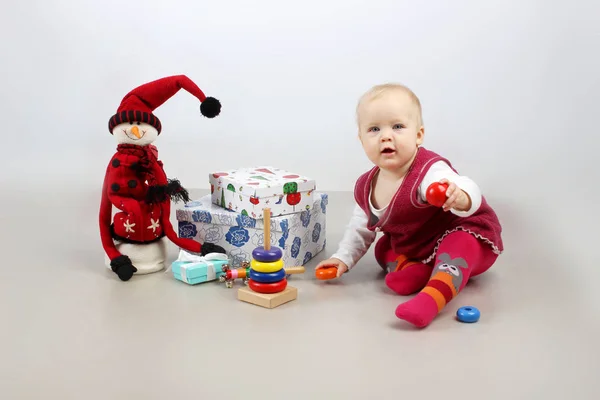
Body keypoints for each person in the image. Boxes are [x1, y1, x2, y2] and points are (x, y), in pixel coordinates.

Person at [315, 83, 503, 328]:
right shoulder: (366, 186)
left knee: (460, 243)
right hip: (418, 246)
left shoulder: (429, 171)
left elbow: (465, 185)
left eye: (397, 126)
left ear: (418, 135)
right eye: (374, 129)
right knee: (384, 247)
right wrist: (343, 258)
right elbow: (361, 228)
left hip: (466, 236)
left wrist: (460, 196)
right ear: (361, 139)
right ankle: (415, 269)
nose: (385, 136)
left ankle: (432, 297)